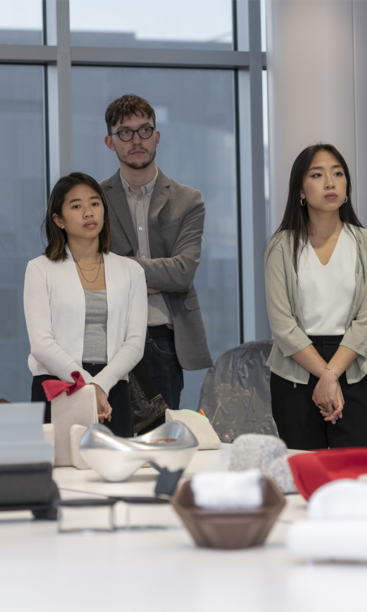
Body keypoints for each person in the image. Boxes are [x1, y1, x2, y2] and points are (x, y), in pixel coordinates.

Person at [265, 144, 367, 450]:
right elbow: (282, 325)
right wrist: (325, 375)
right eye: (317, 175)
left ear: (346, 187)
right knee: (302, 473)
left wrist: (332, 374)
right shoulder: (281, 245)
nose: (330, 182)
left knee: (355, 473)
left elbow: (366, 320)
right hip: (296, 369)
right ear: (300, 191)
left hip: (353, 364)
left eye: (338, 174)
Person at [100, 94, 212, 413]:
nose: (136, 140)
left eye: (144, 130)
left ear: (157, 137)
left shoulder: (188, 200)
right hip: (110, 337)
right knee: (113, 441)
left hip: (164, 339)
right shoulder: (95, 200)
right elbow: (93, 271)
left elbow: (182, 273)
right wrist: (150, 276)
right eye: (125, 132)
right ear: (110, 142)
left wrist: (123, 272)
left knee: (161, 444)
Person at [24, 172, 147, 437]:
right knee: (58, 474)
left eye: (94, 203)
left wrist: (99, 386)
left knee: (114, 472)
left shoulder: (131, 271)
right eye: (76, 206)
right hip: (58, 385)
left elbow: (135, 343)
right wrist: (87, 386)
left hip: (112, 388)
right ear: (58, 219)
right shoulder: (39, 269)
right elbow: (42, 344)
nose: (88, 212)